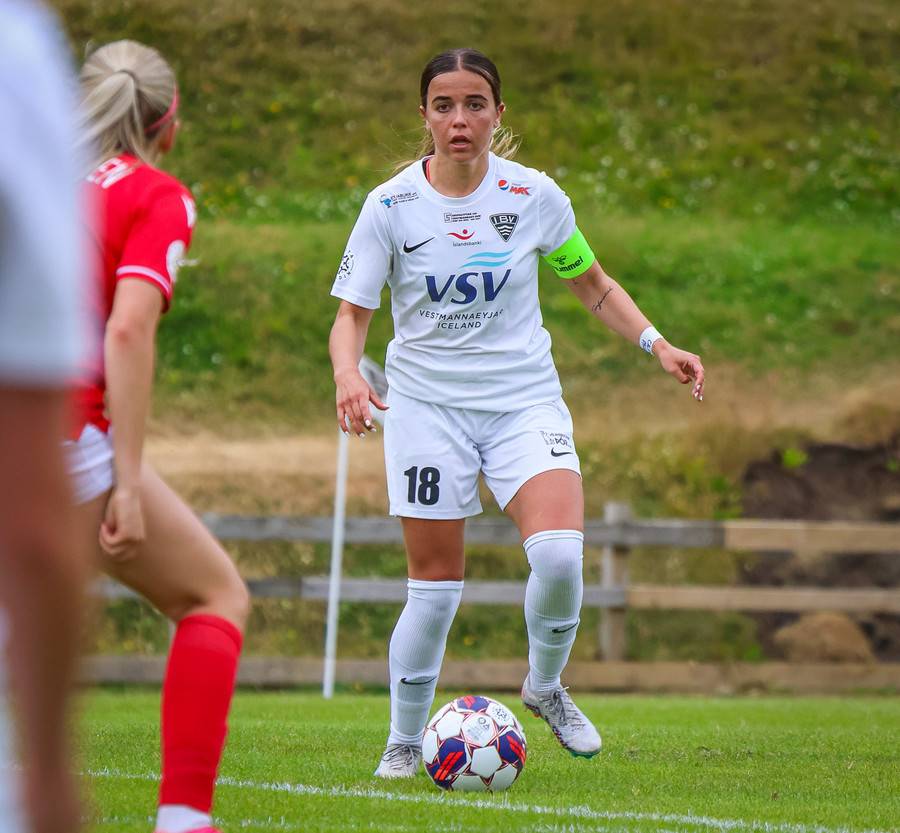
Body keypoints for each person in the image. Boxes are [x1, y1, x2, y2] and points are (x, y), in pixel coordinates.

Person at [329, 47, 706, 778]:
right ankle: (404, 740)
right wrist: (348, 372)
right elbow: (351, 316)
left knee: (560, 555)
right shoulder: (390, 207)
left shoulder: (533, 195)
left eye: (475, 104)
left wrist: (656, 343)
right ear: (424, 116)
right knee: (435, 590)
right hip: (427, 411)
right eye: (444, 106)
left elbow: (592, 283)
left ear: (498, 114)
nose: (459, 120)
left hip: (522, 403)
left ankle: (545, 685)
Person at [69, 40, 250, 833]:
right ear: (167, 122)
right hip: (60, 432)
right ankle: (184, 819)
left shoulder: (30, 178)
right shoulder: (156, 195)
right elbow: (127, 331)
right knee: (215, 595)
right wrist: (127, 482)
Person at [0, 2, 92, 831]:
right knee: (215, 591)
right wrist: (54, 773)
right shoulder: (15, 57)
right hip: (96, 437)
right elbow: (31, 528)